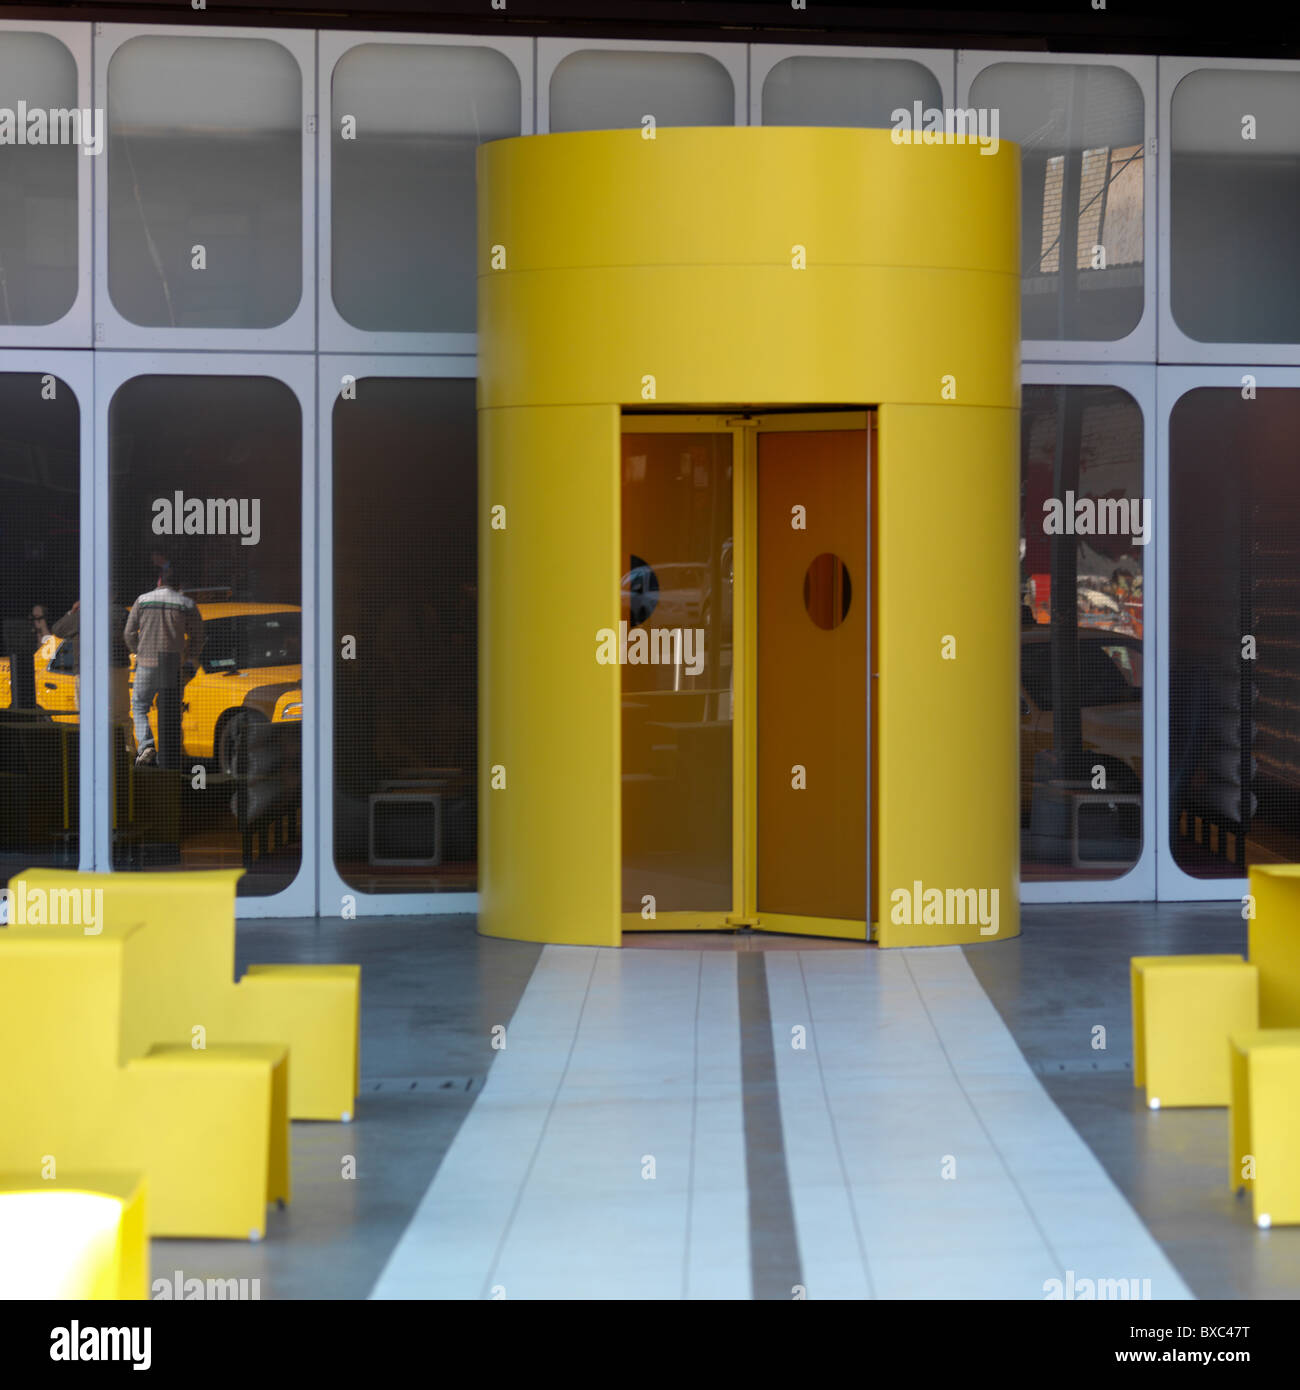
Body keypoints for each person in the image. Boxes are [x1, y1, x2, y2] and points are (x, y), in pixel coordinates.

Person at [123, 566, 204, 769]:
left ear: (159, 581)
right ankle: (174, 753)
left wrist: (138, 652)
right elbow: (198, 637)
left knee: (140, 705)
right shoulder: (187, 604)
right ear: (180, 586)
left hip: (146, 664)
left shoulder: (142, 600)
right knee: (172, 710)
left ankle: (147, 745)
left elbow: (129, 633)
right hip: (174, 666)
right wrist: (189, 657)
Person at [51, 600, 81, 711]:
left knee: (86, 715)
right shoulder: (113, 614)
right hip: (111, 670)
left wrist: (72, 612)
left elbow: (57, 629)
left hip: (84, 672)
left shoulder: (82, 617)